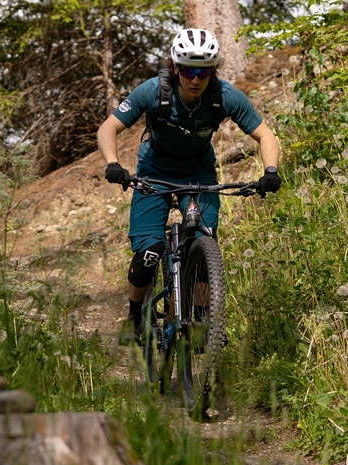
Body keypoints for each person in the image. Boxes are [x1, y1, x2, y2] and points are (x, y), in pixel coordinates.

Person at [96, 28, 282, 344]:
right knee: (149, 252)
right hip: (154, 170)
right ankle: (133, 317)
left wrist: (271, 170)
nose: (195, 79)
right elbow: (108, 128)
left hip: (198, 171)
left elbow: (265, 134)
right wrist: (113, 163)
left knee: (203, 237)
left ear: (213, 71)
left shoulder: (225, 96)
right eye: (188, 70)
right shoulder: (153, 91)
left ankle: (200, 320)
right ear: (176, 68)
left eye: (203, 72)